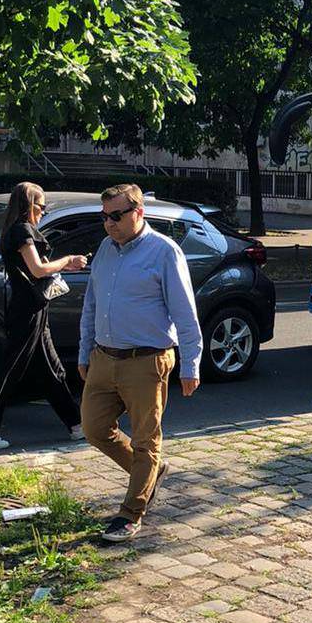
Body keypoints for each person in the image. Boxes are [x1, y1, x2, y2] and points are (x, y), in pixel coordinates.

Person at [78, 184, 203, 542]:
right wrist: (86, 350)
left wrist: (190, 365)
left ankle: (132, 512)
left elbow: (185, 312)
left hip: (146, 361)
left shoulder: (164, 251)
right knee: (93, 427)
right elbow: (91, 303)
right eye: (104, 217)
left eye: (115, 216)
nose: (108, 224)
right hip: (104, 357)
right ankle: (150, 473)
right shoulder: (106, 249)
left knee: (146, 441)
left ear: (138, 212)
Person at [0, 182, 87, 450]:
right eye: (41, 206)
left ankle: (76, 424)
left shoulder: (18, 230)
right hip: (27, 309)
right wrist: (68, 261)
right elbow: (38, 269)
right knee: (9, 370)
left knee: (51, 369)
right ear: (28, 205)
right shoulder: (22, 230)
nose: (44, 211)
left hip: (33, 307)